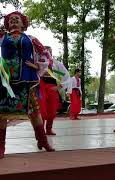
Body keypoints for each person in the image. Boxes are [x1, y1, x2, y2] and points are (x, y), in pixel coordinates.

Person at [0, 11, 55, 158]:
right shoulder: (2, 37)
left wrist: (38, 65)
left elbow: (47, 54)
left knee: (34, 111)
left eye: (17, 19)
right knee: (2, 113)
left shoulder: (31, 39)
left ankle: (43, 140)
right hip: (7, 80)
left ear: (23, 24)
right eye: (11, 20)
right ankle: (1, 147)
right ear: (7, 23)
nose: (13, 21)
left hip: (27, 79)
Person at [39, 46, 71, 135]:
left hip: (52, 87)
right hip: (41, 87)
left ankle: (49, 129)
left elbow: (66, 75)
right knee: (42, 110)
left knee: (52, 110)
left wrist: (59, 86)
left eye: (50, 51)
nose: (48, 53)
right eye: (46, 51)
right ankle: (41, 131)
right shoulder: (39, 62)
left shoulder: (56, 64)